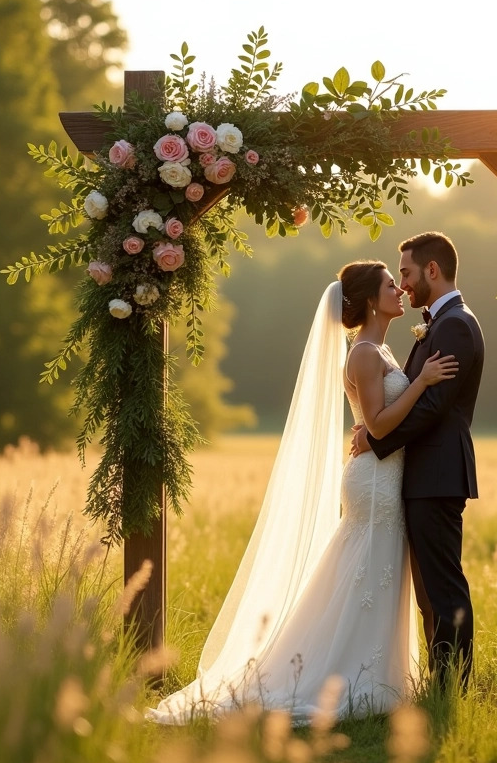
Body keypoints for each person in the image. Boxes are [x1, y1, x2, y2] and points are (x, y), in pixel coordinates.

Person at [145, 261, 457, 724]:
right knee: (370, 567)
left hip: (386, 474)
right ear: (371, 300)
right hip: (375, 479)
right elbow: (377, 423)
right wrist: (424, 385)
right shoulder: (366, 354)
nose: (400, 289)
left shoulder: (381, 351)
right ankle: (349, 678)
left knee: (377, 571)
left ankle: (372, 674)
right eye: (391, 284)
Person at [352, 231, 484, 691]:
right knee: (431, 591)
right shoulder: (441, 323)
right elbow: (417, 393)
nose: (403, 284)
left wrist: (376, 436)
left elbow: (433, 406)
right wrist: (377, 431)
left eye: (405, 273)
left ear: (432, 269)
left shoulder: (455, 326)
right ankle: (441, 679)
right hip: (423, 474)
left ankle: (452, 687)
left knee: (443, 588)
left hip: (437, 475)